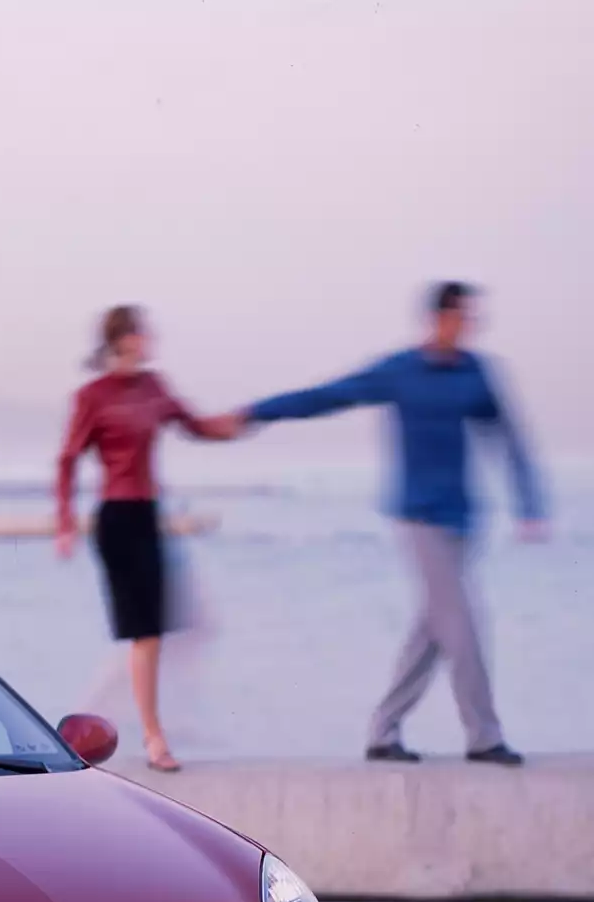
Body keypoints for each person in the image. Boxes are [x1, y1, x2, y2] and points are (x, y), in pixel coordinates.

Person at [226, 281, 546, 765]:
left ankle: (383, 732)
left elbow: (508, 437)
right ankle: (484, 737)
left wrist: (530, 503)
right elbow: (329, 396)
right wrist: (257, 413)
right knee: (462, 626)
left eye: (472, 319)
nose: (468, 327)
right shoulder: (401, 371)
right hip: (419, 517)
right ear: (438, 318)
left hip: (463, 519)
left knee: (434, 629)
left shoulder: (477, 373)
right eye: (462, 317)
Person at [56, 304, 237, 772]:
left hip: (148, 517)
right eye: (142, 333)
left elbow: (195, 426)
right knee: (145, 634)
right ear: (124, 339)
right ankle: (151, 737)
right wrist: (64, 522)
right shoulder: (93, 396)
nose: (150, 339)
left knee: (155, 633)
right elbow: (68, 459)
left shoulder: (155, 387)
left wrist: (242, 422)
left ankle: (116, 723)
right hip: (116, 520)